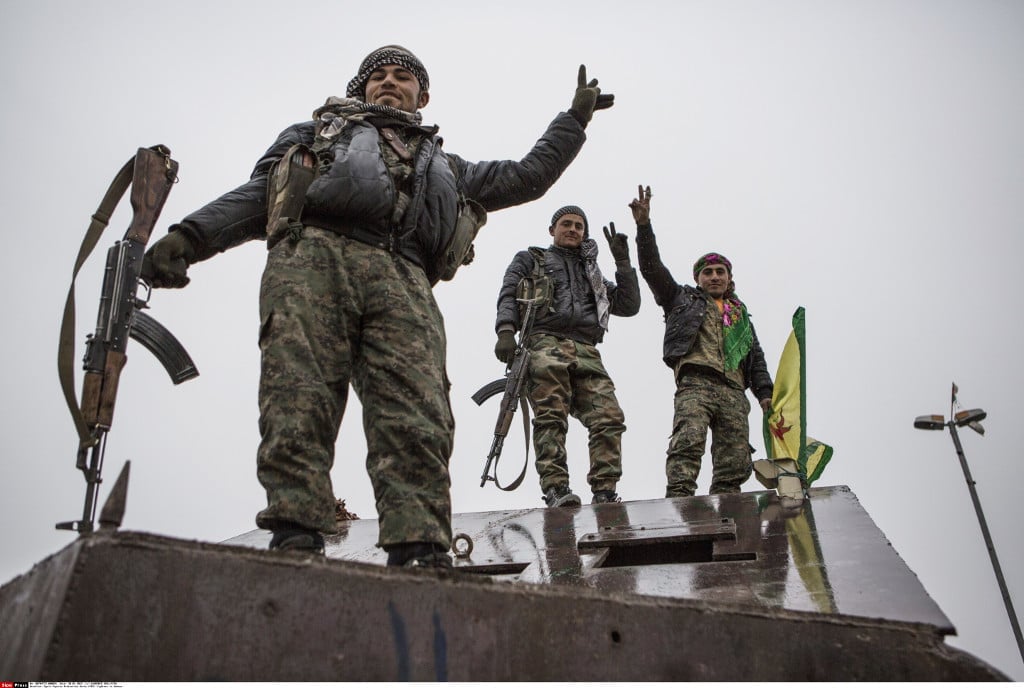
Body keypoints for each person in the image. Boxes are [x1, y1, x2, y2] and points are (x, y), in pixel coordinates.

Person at [141, 45, 614, 568]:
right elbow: (260, 195)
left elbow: (530, 175)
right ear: (360, 89)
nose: (389, 83)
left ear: (422, 95)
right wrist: (190, 235)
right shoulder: (317, 135)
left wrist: (575, 119)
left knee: (418, 413)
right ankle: (295, 533)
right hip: (314, 258)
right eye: (378, 77)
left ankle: (418, 547)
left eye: (402, 77)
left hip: (405, 279)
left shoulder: (449, 168)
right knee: (299, 394)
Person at [630, 185, 773, 497]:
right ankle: (680, 500)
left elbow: (756, 359)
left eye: (720, 271)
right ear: (698, 279)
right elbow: (652, 269)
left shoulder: (740, 316)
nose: (714, 276)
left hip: (735, 389)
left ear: (729, 278)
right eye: (707, 272)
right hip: (696, 382)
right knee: (688, 440)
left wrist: (765, 394)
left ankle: (727, 505)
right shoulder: (682, 299)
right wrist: (644, 227)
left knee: (735, 458)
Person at [494, 205, 640, 507]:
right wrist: (505, 330)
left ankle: (605, 491)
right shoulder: (532, 259)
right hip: (545, 341)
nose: (573, 229)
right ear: (552, 230)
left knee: (609, 417)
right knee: (551, 415)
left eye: (579, 226)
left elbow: (628, 304)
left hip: (587, 348)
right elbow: (509, 293)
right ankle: (556, 489)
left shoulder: (592, 273)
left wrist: (623, 262)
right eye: (566, 224)